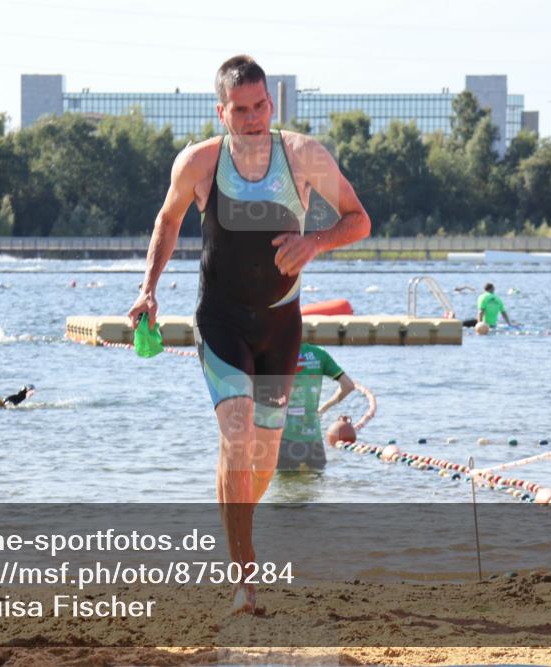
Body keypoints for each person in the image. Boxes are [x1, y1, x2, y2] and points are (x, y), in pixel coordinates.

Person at [127, 55, 370, 613]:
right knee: (236, 435)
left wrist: (316, 243)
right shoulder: (200, 164)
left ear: (271, 105)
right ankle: (245, 580)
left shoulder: (304, 156)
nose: (255, 117)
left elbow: (359, 219)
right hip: (221, 322)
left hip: (282, 327)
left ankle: (238, 527)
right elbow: (168, 221)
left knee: (260, 460)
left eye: (262, 106)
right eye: (242, 109)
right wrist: (149, 288)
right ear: (223, 112)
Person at [278, 343, 355, 471]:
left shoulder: (276, 353)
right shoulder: (319, 354)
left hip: (285, 440)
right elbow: (349, 386)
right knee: (316, 487)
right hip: (314, 443)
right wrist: (323, 408)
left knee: (286, 489)